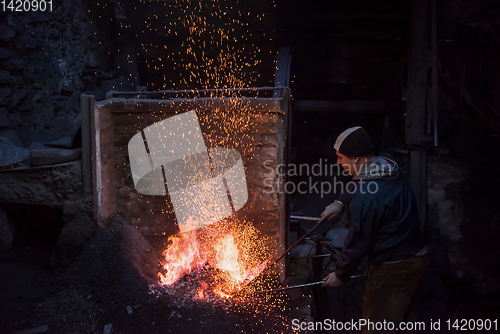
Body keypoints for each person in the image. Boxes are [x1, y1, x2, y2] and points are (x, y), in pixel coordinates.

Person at [320, 126, 428, 333]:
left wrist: (340, 275)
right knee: (404, 322)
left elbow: (357, 242)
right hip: (417, 260)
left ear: (357, 158)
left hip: (395, 269)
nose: (338, 162)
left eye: (341, 158)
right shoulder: (388, 168)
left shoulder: (365, 198)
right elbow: (360, 182)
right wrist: (340, 203)